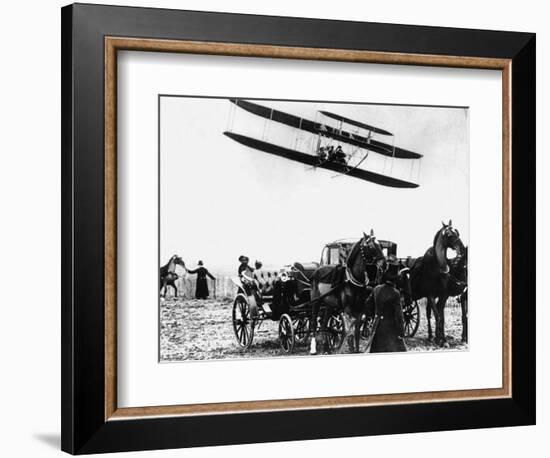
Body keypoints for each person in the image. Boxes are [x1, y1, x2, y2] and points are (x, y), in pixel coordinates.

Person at [365, 261, 407, 353]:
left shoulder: (376, 289)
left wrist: (375, 315)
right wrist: (401, 332)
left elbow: (368, 305)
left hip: (376, 326)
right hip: (390, 329)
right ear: (395, 280)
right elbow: (399, 315)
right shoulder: (395, 293)